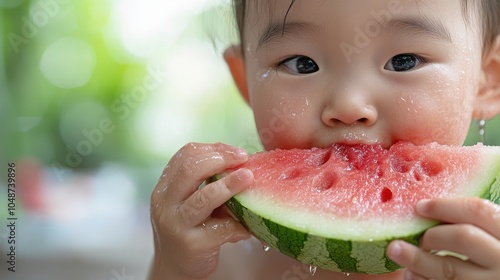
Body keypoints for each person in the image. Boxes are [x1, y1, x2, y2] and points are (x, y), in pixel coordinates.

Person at [149, 0, 500, 279]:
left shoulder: (489, 254)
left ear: (488, 80)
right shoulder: (227, 257)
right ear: (246, 83)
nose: (349, 105)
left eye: (404, 61)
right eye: (301, 63)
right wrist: (174, 268)